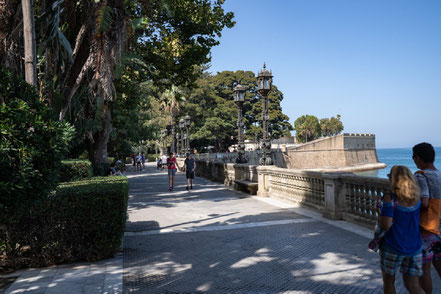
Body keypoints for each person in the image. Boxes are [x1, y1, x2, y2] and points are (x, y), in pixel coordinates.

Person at [378, 165, 424, 294]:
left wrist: (379, 212)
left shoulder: (390, 197)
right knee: (413, 286)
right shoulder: (416, 197)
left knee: (389, 283)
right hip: (414, 247)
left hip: (393, 245)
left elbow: (386, 225)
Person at [412, 143, 441, 293]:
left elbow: (424, 201)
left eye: (414, 157)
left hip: (426, 230)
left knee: (425, 270)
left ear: (418, 158)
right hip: (439, 229)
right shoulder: (440, 174)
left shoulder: (420, 175)